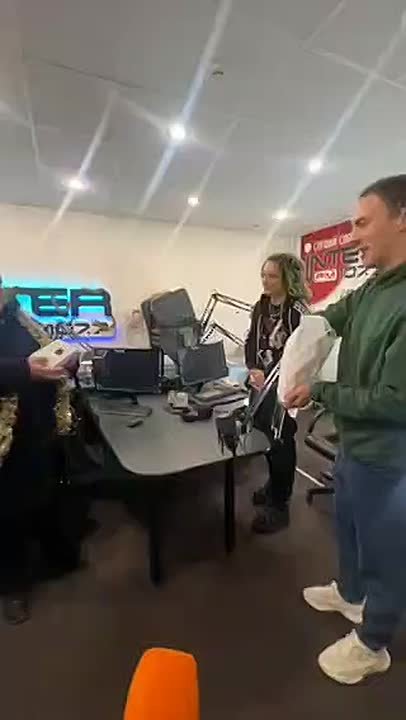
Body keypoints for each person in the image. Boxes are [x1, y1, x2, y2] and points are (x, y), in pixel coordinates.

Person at [285, 174, 406, 684]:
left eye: (362, 223)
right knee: (349, 528)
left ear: (401, 220)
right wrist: (300, 342)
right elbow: (332, 316)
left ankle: (374, 643)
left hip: (389, 456)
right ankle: (351, 595)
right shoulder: (376, 285)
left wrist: (320, 391)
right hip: (354, 445)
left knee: (386, 553)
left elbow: (396, 401)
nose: (352, 236)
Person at [0, 278, 79, 625]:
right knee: (9, 513)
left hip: (40, 427)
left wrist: (68, 361)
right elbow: (22, 368)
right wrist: (24, 371)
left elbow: (48, 348)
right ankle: (13, 586)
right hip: (6, 439)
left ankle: (57, 555)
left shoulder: (18, 317)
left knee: (44, 494)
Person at [245, 253, 310, 534]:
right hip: (261, 386)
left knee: (282, 443)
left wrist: (284, 381)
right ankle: (273, 485)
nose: (265, 281)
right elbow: (251, 341)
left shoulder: (298, 311)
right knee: (266, 440)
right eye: (263, 275)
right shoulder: (260, 307)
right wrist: (253, 368)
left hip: (285, 389)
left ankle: (280, 505)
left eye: (272, 276)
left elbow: (306, 354)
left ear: (287, 278)